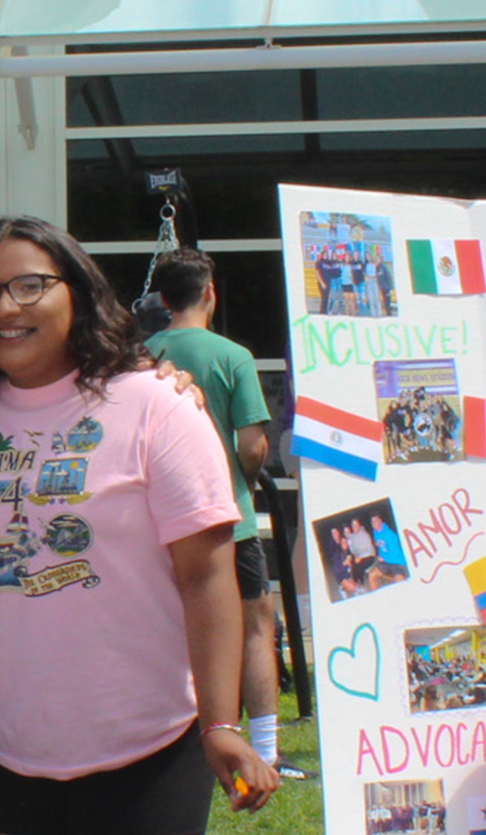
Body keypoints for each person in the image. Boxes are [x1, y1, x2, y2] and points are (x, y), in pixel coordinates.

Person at [0, 216, 277, 835]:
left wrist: (221, 723)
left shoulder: (157, 406)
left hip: (143, 748)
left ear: (80, 294)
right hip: (4, 752)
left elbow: (208, 581)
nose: (6, 307)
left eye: (30, 286)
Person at [145, 249, 298, 779]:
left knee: (170, 625)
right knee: (257, 622)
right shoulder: (232, 354)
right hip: (229, 518)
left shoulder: (139, 357)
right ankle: (266, 749)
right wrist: (242, 480)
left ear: (162, 300)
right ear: (209, 292)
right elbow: (254, 443)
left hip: (159, 523)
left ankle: (176, 741)